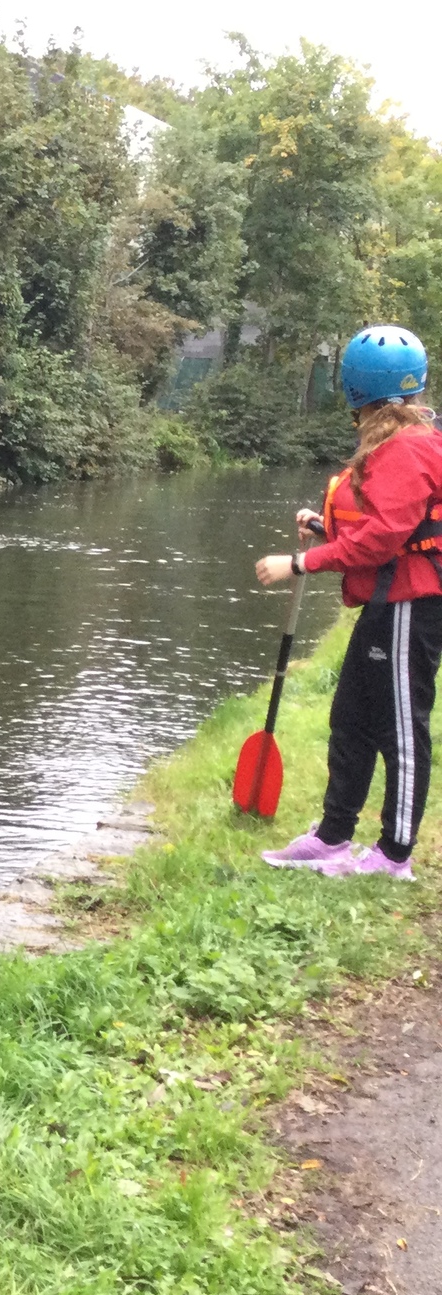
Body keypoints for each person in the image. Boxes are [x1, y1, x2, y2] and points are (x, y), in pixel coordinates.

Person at [257, 324, 442, 880]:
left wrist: (301, 562)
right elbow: (392, 525)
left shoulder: (406, 449)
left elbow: (385, 538)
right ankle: (333, 838)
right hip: (388, 602)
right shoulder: (399, 442)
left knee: (402, 729)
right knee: (352, 719)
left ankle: (394, 856)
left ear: (355, 390)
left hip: (412, 605)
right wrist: (323, 525)